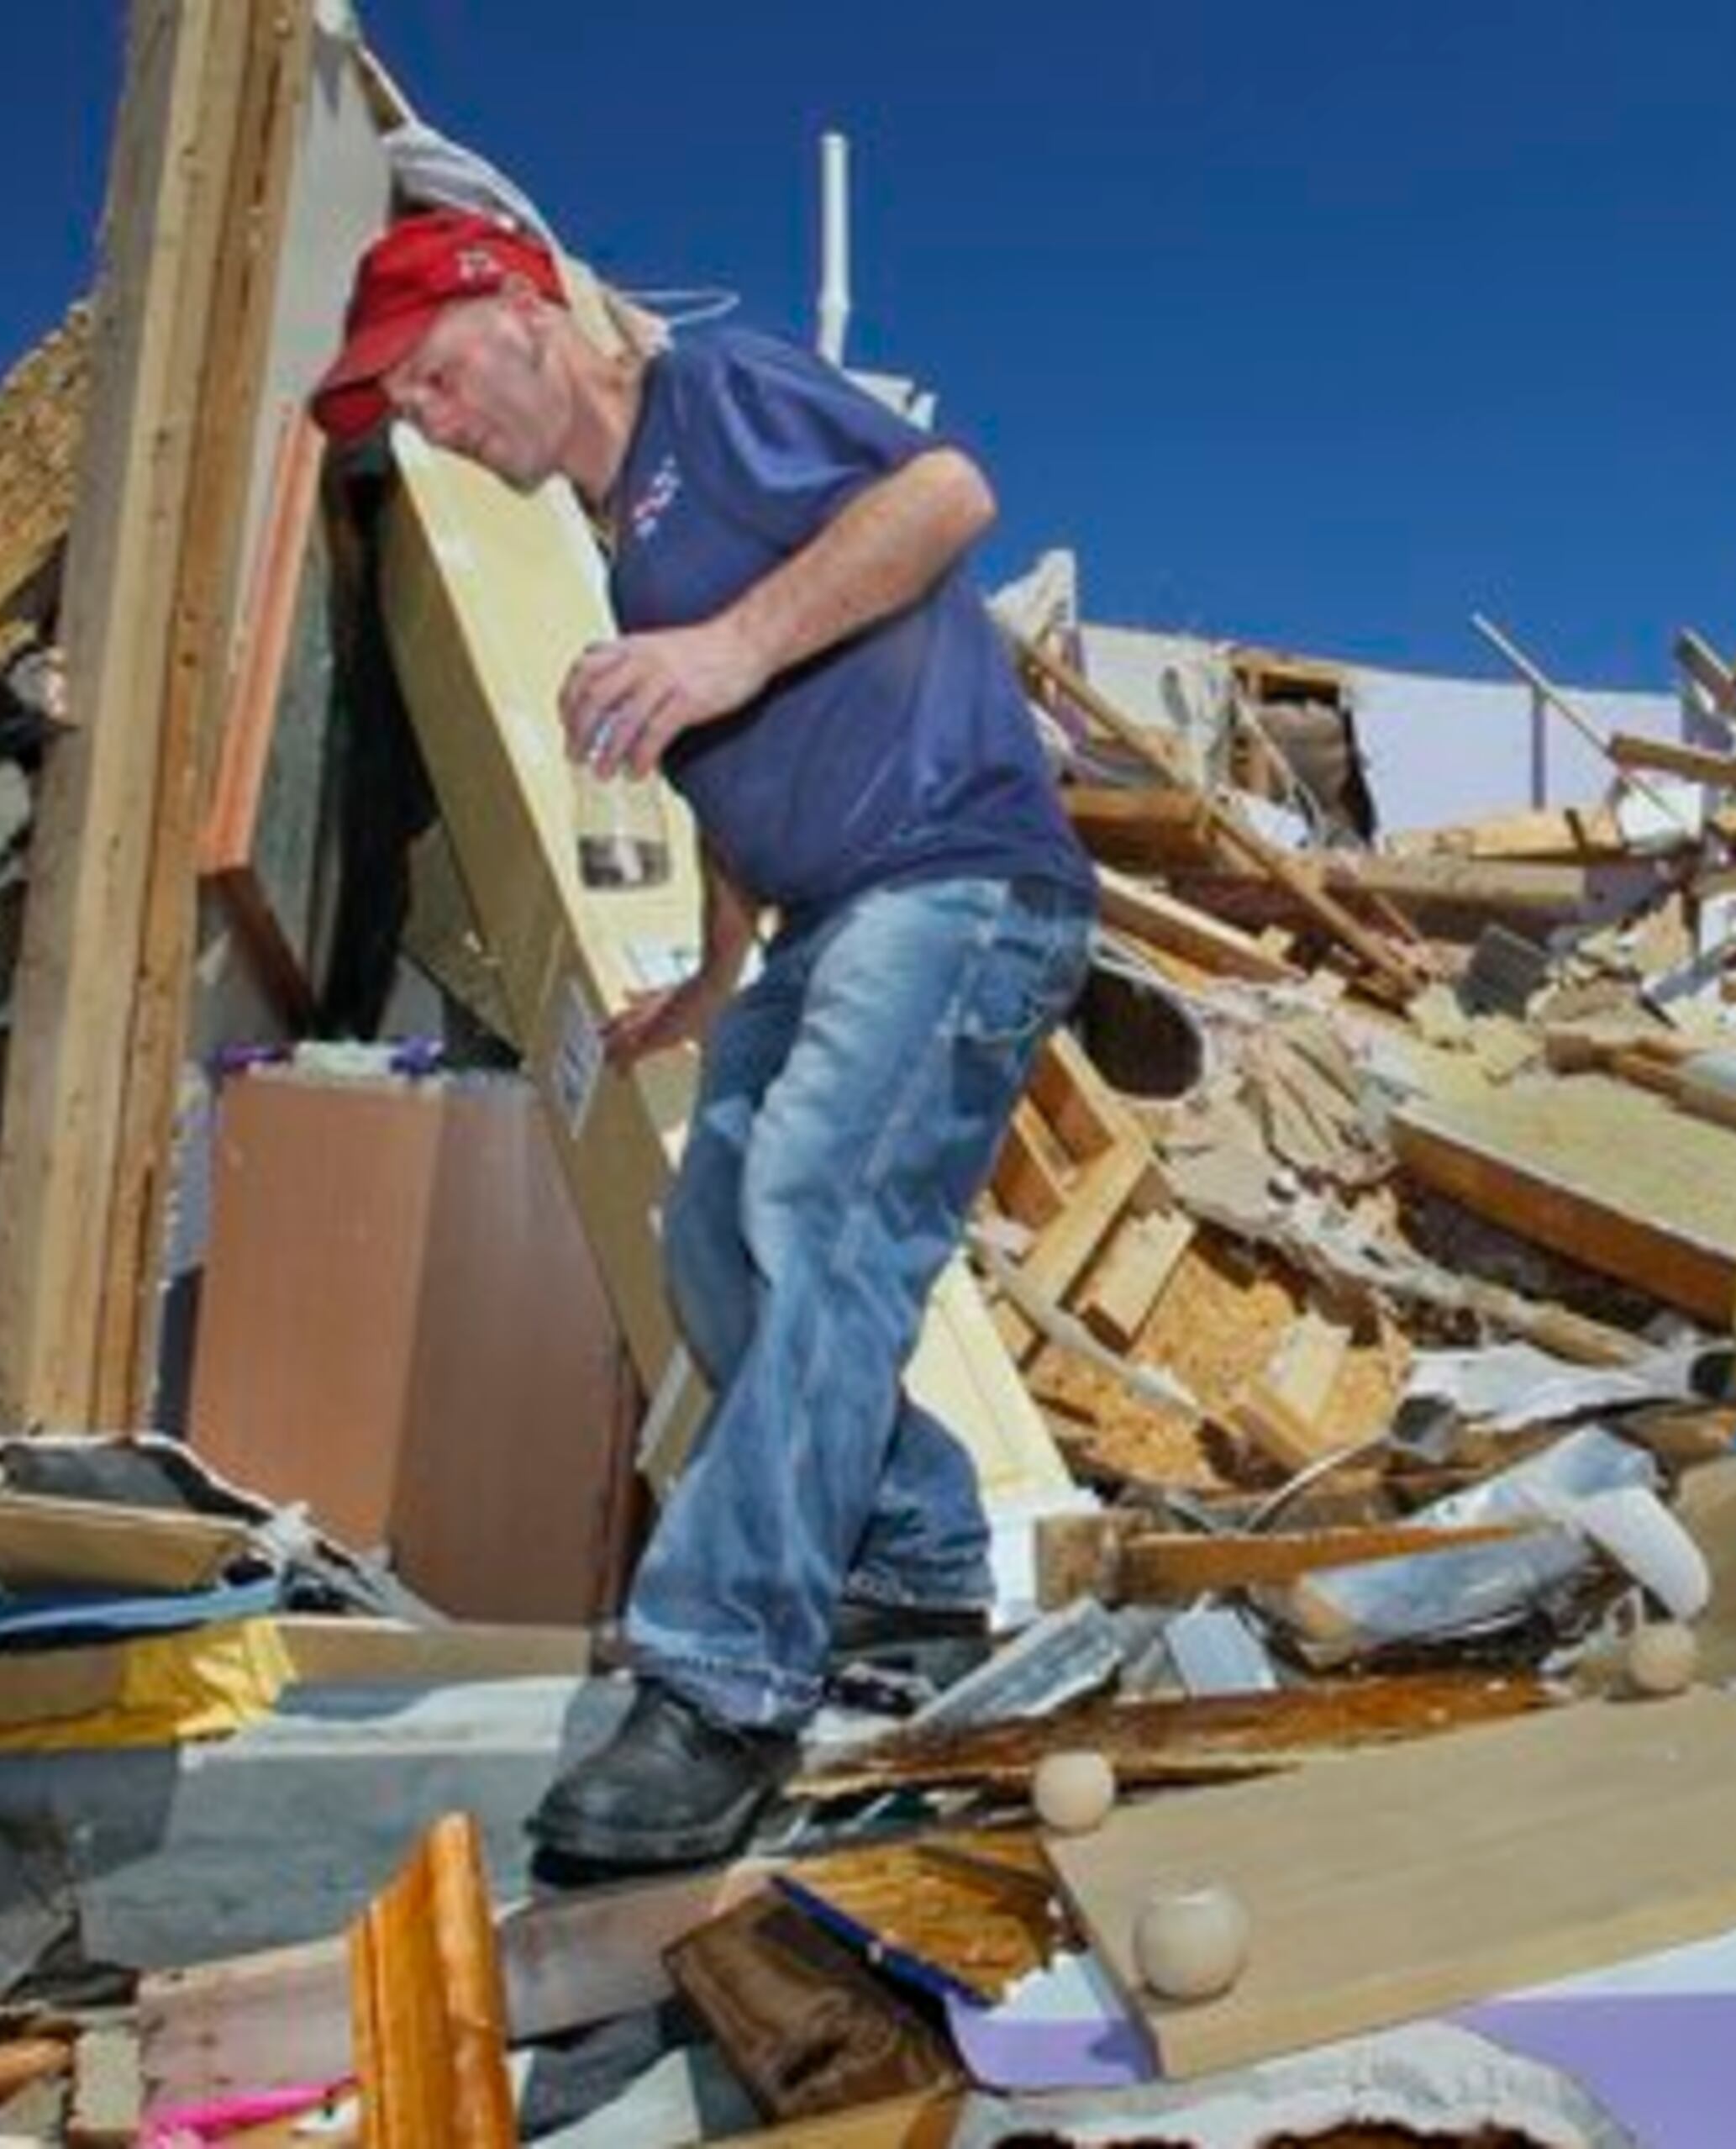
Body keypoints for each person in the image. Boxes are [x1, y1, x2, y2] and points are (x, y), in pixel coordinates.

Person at [311, 209, 1095, 1867]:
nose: (435, 427)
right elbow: (735, 765)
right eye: (408, 414)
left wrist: (726, 642)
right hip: (824, 917)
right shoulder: (623, 536)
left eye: (437, 380)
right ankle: (914, 1558)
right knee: (718, 1239)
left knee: (816, 1203)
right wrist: (718, 965)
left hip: (961, 879)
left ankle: (728, 1676)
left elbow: (949, 495)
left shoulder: (714, 394)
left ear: (520, 309)